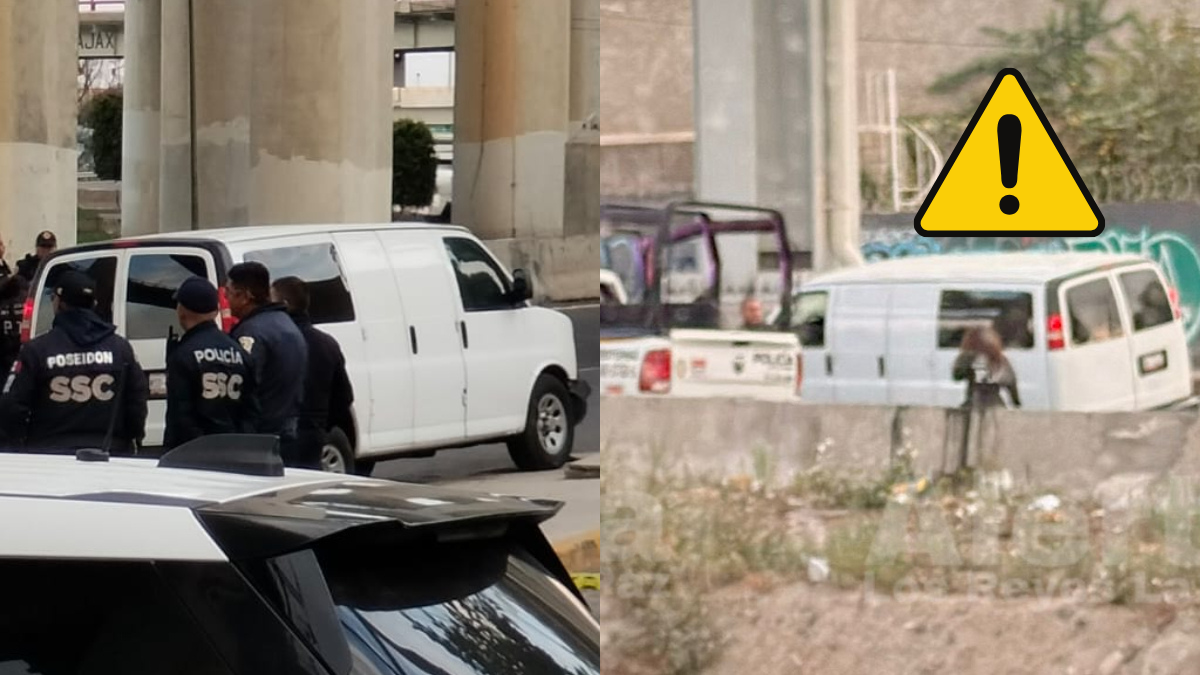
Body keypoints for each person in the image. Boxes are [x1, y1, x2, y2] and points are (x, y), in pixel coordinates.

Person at [0, 271, 148, 453]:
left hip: (49, 454)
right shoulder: (120, 349)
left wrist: (18, 446)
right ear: (94, 304)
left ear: (58, 303)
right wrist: (134, 438)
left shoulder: (37, 350)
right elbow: (137, 401)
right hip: (109, 453)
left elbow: (12, 406)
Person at [163, 276, 258, 450]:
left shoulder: (183, 355)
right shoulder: (239, 351)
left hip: (193, 455)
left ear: (181, 310)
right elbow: (252, 410)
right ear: (215, 312)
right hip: (236, 450)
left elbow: (180, 417)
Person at [225, 262, 307, 461]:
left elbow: (242, 387)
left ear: (245, 296)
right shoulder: (286, 324)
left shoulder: (251, 333)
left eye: (229, 291)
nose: (225, 298)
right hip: (288, 428)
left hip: (260, 438)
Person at [270, 276, 354, 470]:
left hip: (282, 433)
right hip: (314, 432)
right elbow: (343, 396)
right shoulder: (327, 343)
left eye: (270, 299)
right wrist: (322, 424)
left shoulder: (277, 340)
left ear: (284, 304)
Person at [952, 325, 1021, 409]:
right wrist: (1017, 404)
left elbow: (956, 376)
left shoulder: (968, 358)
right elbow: (1011, 384)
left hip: (973, 403)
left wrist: (967, 360)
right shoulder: (1001, 360)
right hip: (995, 405)